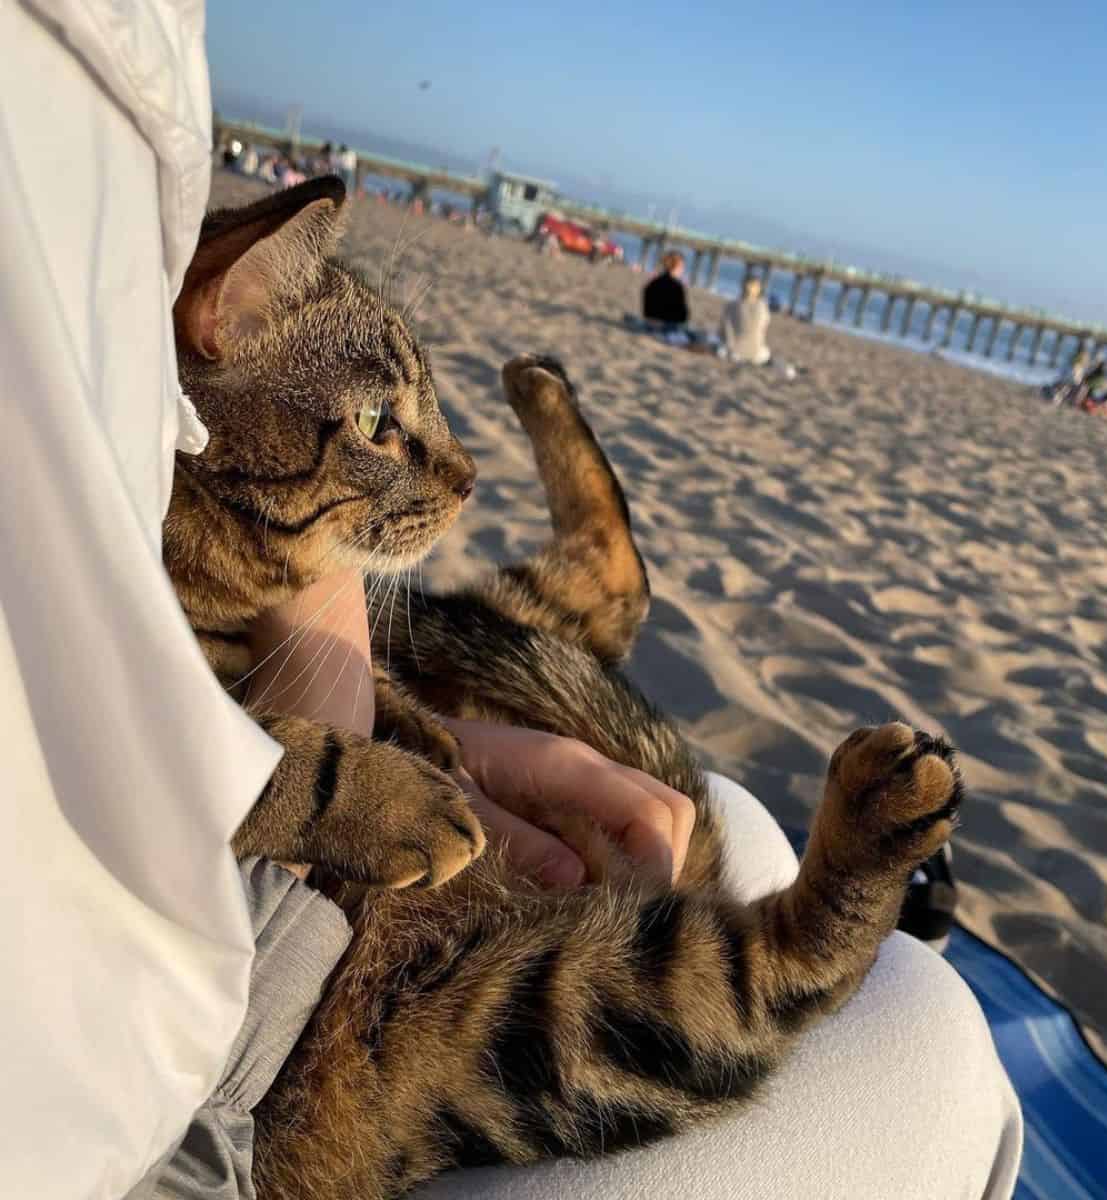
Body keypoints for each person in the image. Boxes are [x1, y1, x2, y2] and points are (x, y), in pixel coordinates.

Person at [1, 6, 1021, 1198]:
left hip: (288, 929)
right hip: (261, 1082)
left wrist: (382, 703)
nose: (456, 476)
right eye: (395, 428)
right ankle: (811, 943)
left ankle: (596, 598)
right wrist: (318, 767)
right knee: (911, 1012)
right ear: (218, 328)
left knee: (704, 811)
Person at [720, 275, 772, 365]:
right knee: (765, 352)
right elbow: (763, 331)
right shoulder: (763, 307)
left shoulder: (732, 305)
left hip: (733, 352)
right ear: (758, 289)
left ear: (742, 286)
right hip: (756, 353)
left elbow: (724, 330)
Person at [642, 249, 690, 327]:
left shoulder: (652, 283)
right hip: (667, 324)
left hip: (649, 321)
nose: (683, 270)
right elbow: (682, 316)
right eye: (682, 267)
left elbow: (646, 309)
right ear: (677, 267)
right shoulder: (677, 286)